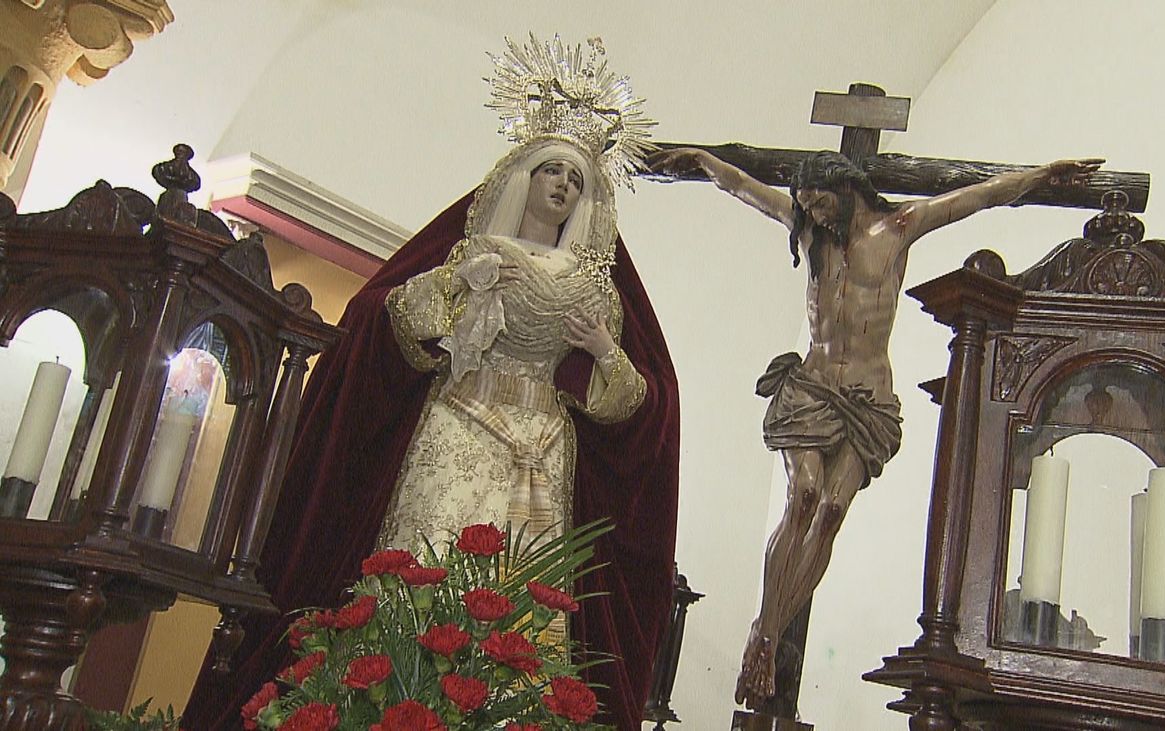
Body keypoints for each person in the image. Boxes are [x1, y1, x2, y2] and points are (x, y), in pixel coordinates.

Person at [184, 137, 680, 731]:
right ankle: (390, 703)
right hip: (457, 425)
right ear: (521, 179)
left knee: (523, 596)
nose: (562, 187)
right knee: (423, 562)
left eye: (575, 180)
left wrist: (604, 351)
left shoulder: (595, 288)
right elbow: (395, 316)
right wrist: (457, 286)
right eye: (550, 171)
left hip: (545, 447)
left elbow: (628, 403)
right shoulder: (474, 252)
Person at [650, 147, 1100, 708]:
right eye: (806, 207)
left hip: (868, 398)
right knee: (804, 494)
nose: (812, 216)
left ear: (846, 190)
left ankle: (768, 630)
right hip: (811, 387)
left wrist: (1043, 174)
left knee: (831, 511)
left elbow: (977, 198)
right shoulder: (805, 229)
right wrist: (701, 159)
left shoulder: (900, 227)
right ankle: (763, 631)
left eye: (820, 204)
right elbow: (742, 186)